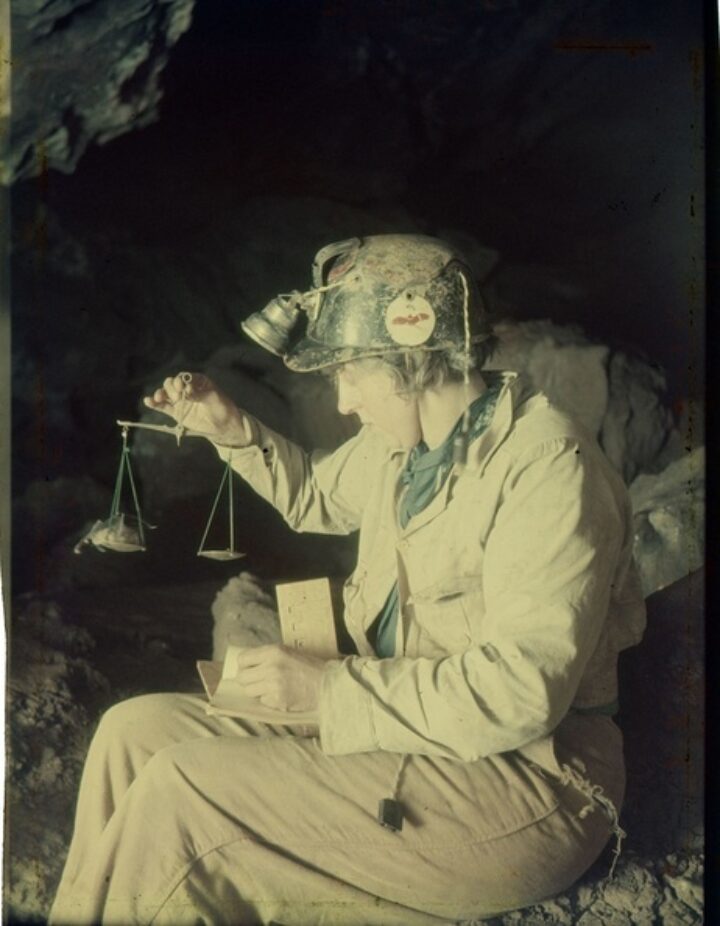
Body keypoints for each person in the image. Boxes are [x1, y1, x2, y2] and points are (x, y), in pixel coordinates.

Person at [49, 234, 646, 925]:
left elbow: (521, 691)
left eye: (352, 374)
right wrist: (229, 426)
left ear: (412, 362)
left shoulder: (548, 469)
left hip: (527, 785)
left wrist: (329, 688)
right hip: (413, 736)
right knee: (134, 734)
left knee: (185, 791)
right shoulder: (410, 447)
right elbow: (316, 498)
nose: (343, 401)